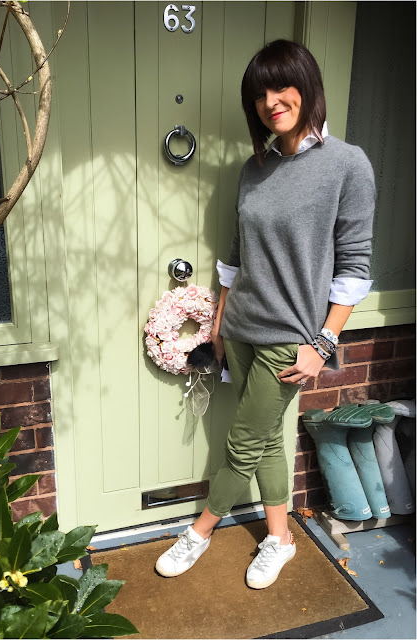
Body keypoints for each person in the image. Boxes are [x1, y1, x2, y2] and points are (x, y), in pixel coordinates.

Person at [155, 39, 375, 589]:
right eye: (260, 95)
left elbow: (354, 267)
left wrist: (323, 343)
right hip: (244, 328)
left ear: (307, 86)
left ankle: (199, 532)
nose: (271, 102)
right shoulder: (254, 168)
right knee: (267, 439)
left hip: (289, 337)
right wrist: (221, 326)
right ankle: (279, 539)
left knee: (243, 443)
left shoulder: (348, 165)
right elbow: (234, 257)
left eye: (281, 87)